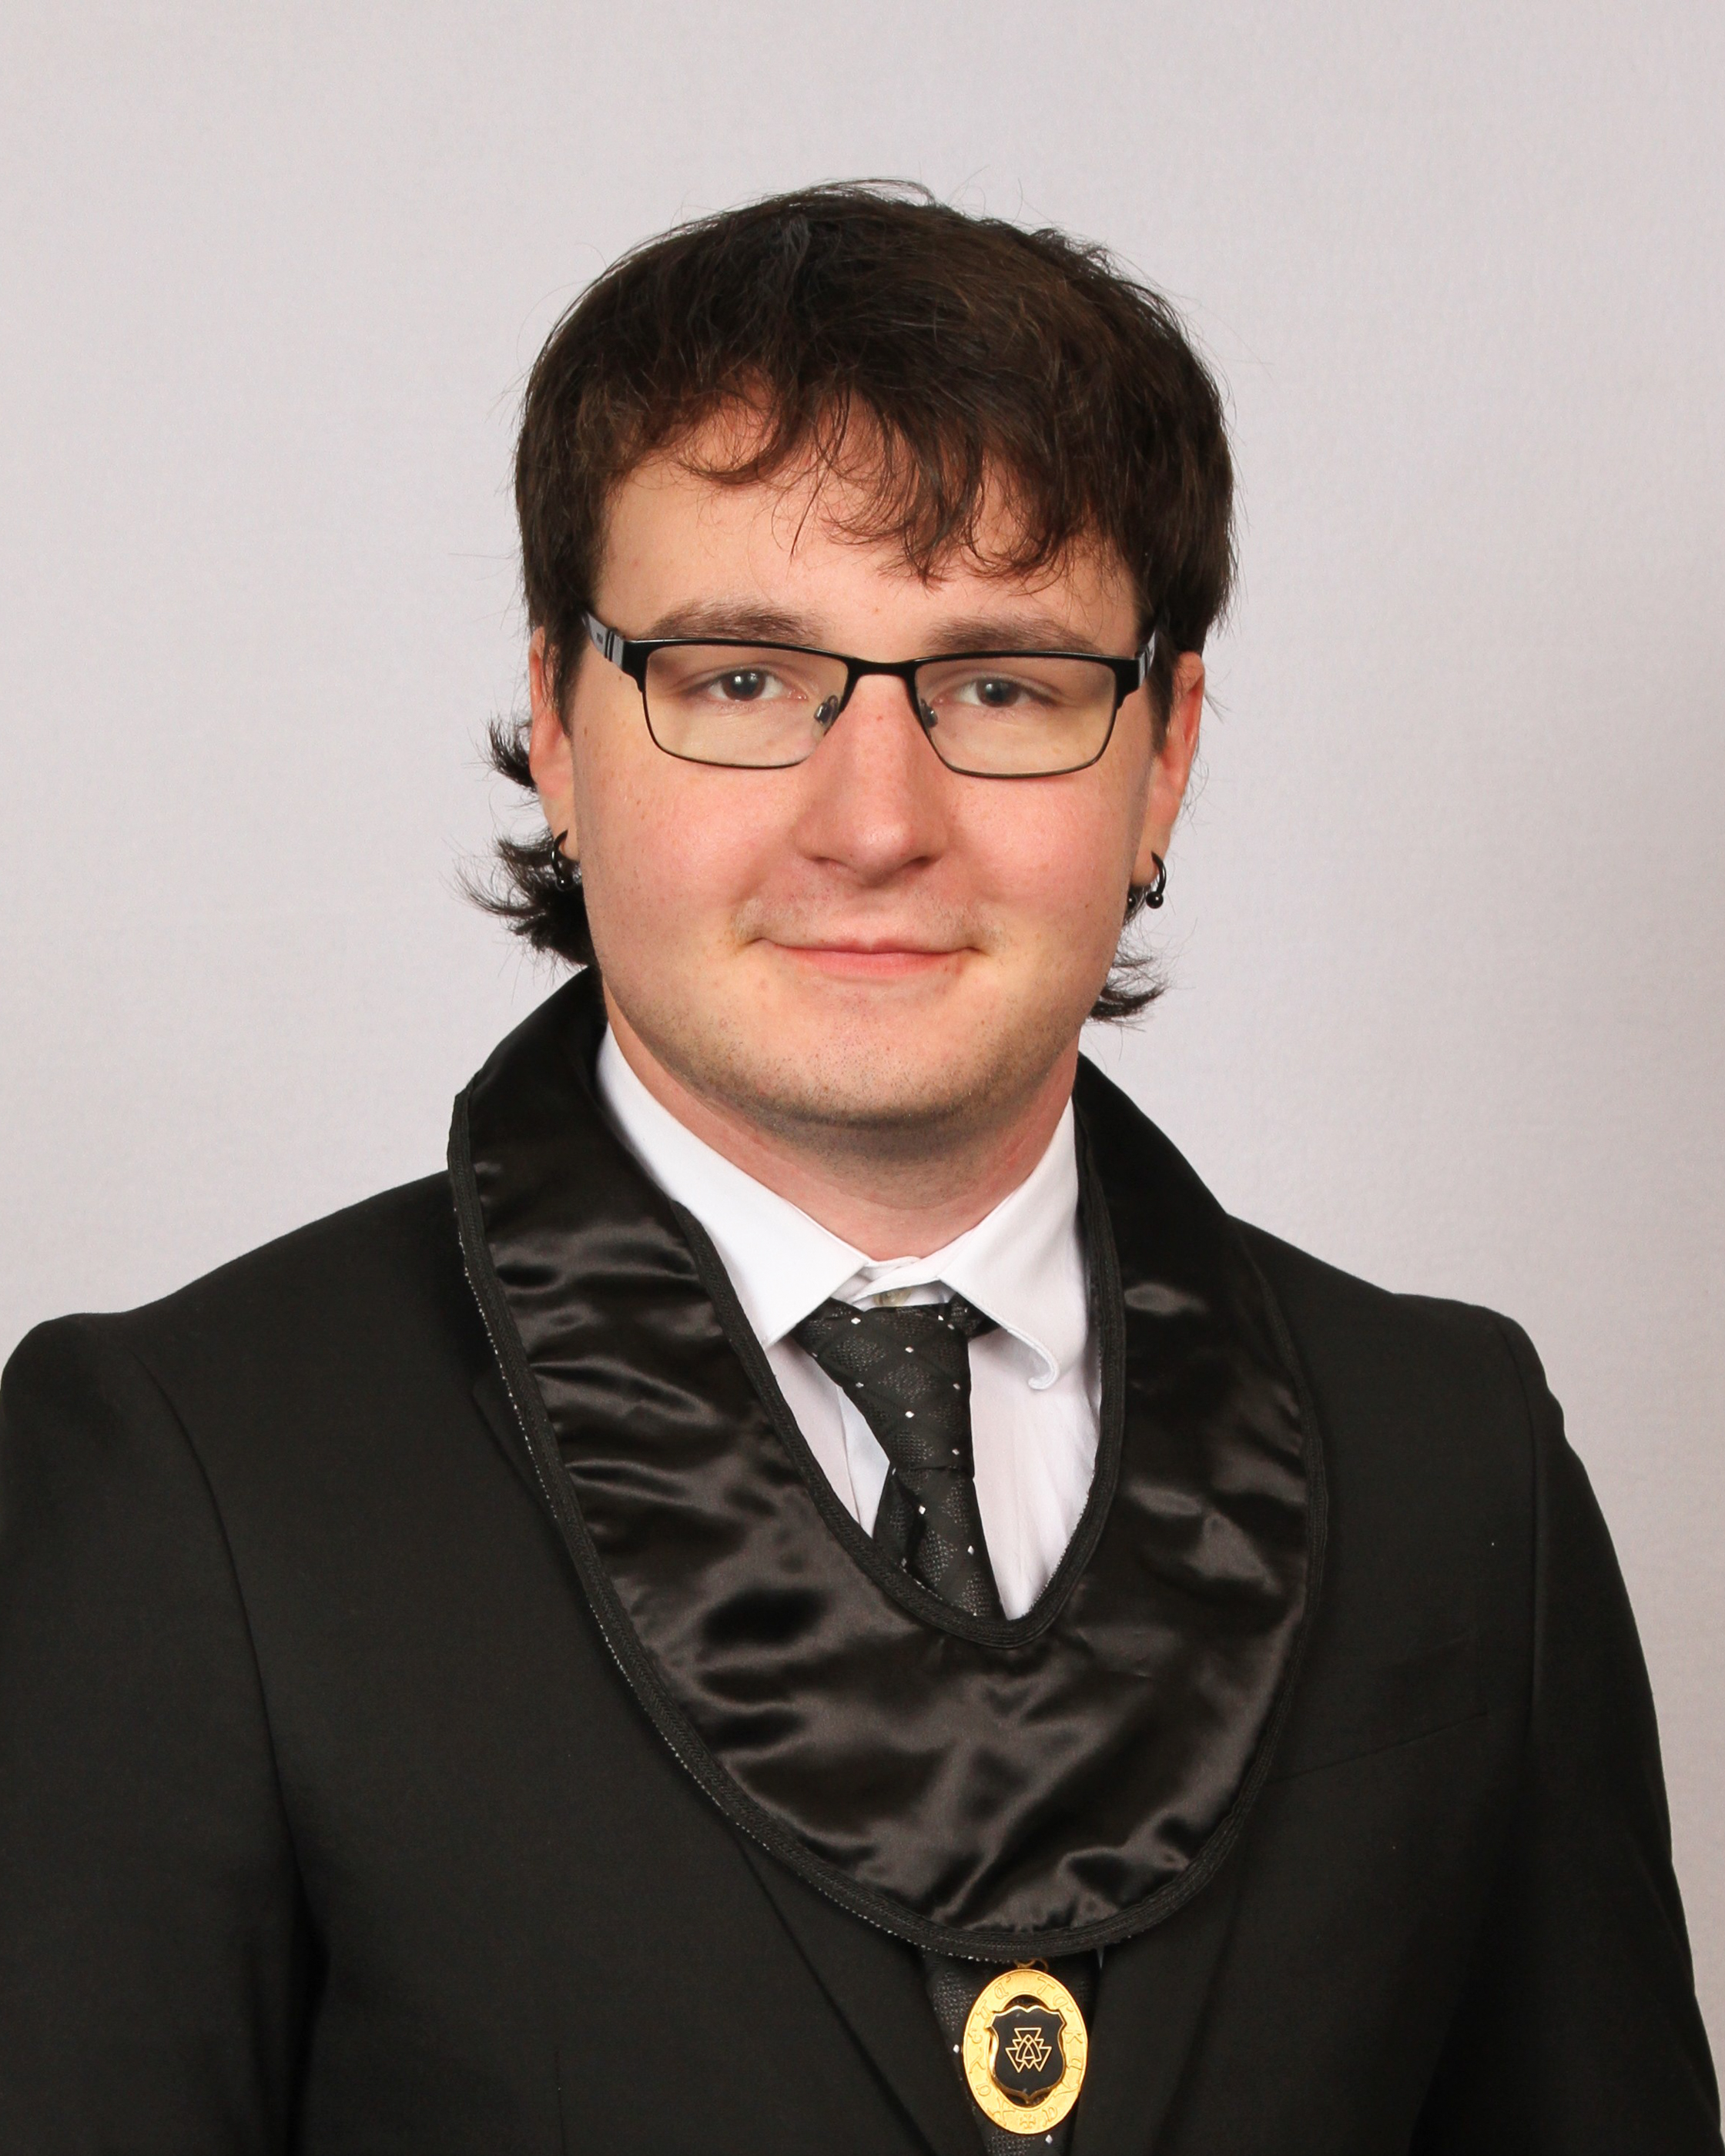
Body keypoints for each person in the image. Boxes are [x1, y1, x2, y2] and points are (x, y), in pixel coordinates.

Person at [0, 182, 1717, 2156]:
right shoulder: (195, 1479)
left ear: (1162, 753)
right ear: (558, 721)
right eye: (741, 677)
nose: (875, 820)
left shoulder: (1451, 1458)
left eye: (1001, 685)